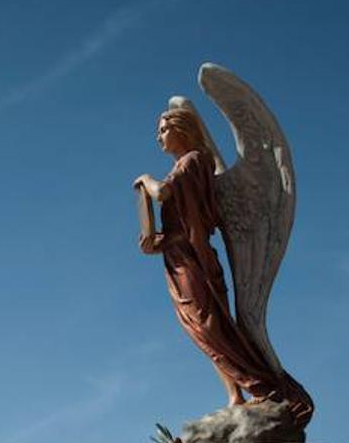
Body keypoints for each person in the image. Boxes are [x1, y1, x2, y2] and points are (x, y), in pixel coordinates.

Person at [133, 106, 312, 425]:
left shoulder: (193, 161)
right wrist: (154, 243)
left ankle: (263, 385)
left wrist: (145, 180)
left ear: (182, 128)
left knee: (212, 328)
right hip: (178, 259)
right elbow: (178, 225)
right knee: (206, 335)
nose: (159, 137)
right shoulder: (183, 165)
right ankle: (235, 395)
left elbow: (162, 193)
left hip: (195, 261)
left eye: (163, 129)